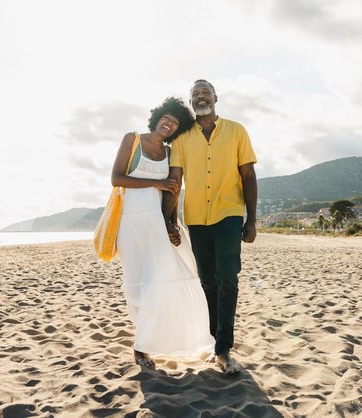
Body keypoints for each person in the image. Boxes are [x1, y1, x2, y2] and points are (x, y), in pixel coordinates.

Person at [162, 80, 258, 375]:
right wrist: (170, 220)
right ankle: (216, 340)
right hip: (196, 217)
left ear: (215, 98)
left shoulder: (237, 131)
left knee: (228, 277)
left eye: (205, 92)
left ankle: (223, 349)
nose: (200, 97)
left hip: (228, 213)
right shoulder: (181, 138)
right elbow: (175, 181)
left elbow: (248, 175)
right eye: (195, 94)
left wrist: (251, 219)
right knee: (207, 281)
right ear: (191, 102)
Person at [111, 97, 214, 368]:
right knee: (137, 285)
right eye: (167, 117)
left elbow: (173, 191)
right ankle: (141, 343)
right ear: (157, 116)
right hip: (131, 223)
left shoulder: (170, 154)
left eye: (176, 122)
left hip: (157, 223)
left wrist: (172, 223)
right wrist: (156, 181)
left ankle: (145, 345)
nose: (169, 124)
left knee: (163, 280)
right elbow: (117, 179)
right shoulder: (132, 140)